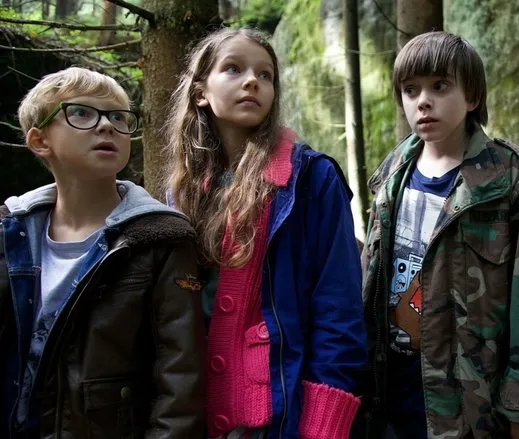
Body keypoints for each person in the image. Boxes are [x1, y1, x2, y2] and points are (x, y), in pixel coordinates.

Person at [358, 31, 519, 439]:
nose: (423, 101)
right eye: (411, 90)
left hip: (476, 401)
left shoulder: (510, 178)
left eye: (440, 86)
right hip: (394, 389)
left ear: (473, 96)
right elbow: (370, 281)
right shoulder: (393, 175)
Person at [164, 27, 366, 439]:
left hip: (281, 416)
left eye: (265, 75)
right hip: (194, 414)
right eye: (233, 69)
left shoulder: (312, 179)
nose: (252, 81)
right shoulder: (182, 190)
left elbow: (338, 309)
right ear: (201, 92)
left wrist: (323, 426)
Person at [0, 67, 206, 438]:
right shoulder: (9, 234)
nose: (107, 126)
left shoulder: (160, 238)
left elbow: (180, 379)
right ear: (39, 140)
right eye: (81, 113)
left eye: (118, 117)